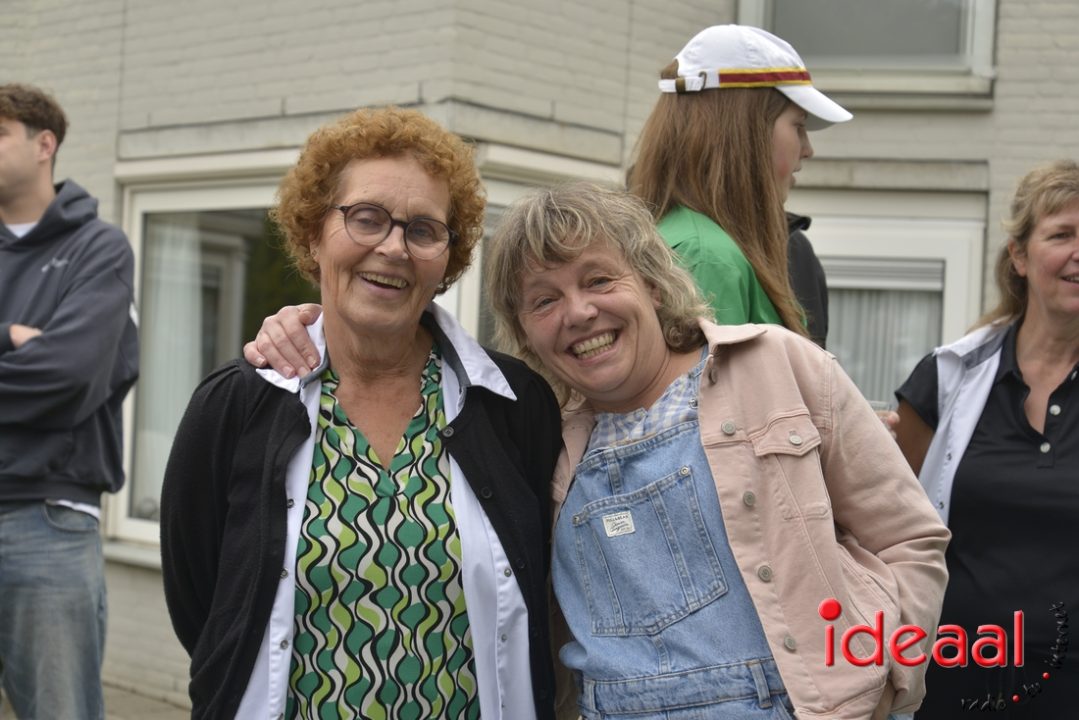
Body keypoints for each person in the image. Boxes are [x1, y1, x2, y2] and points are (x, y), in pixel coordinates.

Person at [483, 182, 949, 720]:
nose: (580, 312)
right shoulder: (542, 447)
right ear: (524, 332)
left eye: (599, 280)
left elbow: (909, 539)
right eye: (545, 300)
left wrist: (887, 683)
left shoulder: (777, 367)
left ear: (652, 284)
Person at [161, 107, 563, 720]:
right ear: (313, 233)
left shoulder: (511, 405)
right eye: (366, 218)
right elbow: (207, 611)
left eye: (423, 230)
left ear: (447, 259)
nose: (394, 248)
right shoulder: (237, 406)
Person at [894, 160, 1079, 717]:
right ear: (1019, 256)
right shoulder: (948, 377)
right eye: (1062, 235)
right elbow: (884, 527)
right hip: (957, 687)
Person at [0, 83, 139, 719]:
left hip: (47, 520)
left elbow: (67, 378)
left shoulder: (98, 249)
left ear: (44, 145)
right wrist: (11, 336)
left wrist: (43, 359)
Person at [629, 24, 851, 336]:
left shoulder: (700, 242)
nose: (807, 149)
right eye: (798, 126)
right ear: (744, 132)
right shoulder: (708, 256)